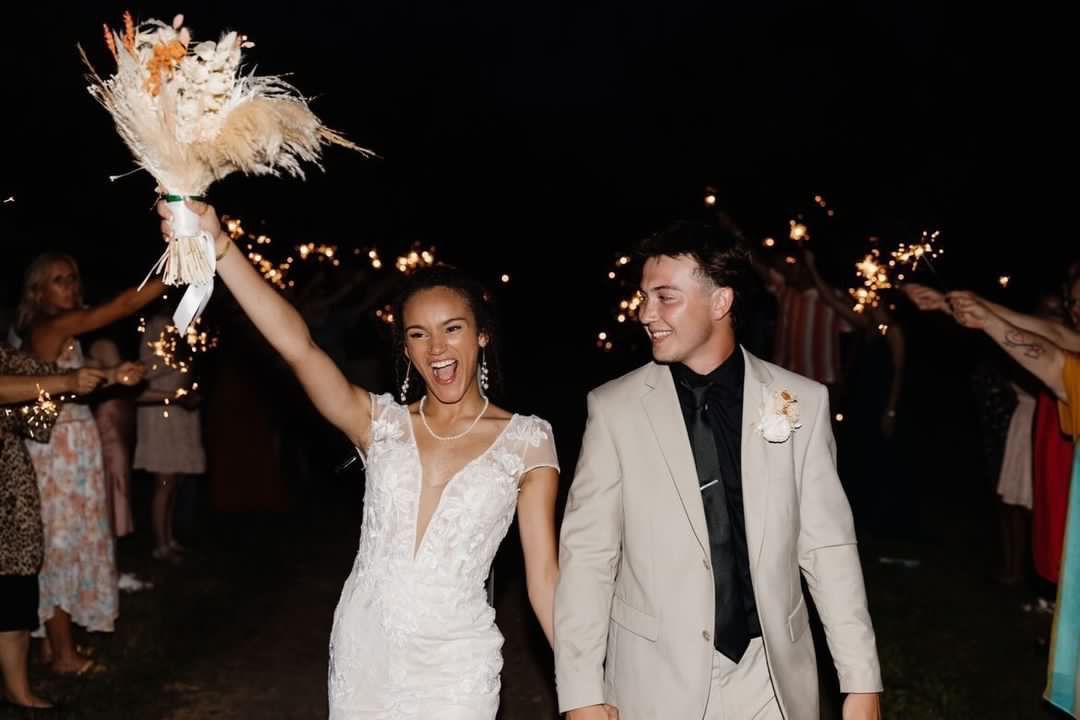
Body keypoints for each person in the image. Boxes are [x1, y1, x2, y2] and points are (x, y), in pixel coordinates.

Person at [155, 199, 561, 720]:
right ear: (407, 350)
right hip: (365, 645)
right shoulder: (381, 423)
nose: (437, 347)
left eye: (452, 328)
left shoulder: (527, 441)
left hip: (456, 661)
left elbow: (545, 576)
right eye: (418, 334)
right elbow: (298, 347)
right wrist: (225, 248)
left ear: (481, 335)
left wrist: (582, 688)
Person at [554, 221, 882, 720]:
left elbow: (827, 547)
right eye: (644, 297)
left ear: (721, 302)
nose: (646, 314)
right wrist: (581, 693)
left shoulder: (802, 403)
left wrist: (860, 680)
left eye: (665, 297)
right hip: (655, 675)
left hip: (770, 674)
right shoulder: (614, 409)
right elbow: (588, 558)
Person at [14, 252, 153, 673]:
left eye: (73, 278)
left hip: (74, 447)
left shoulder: (62, 333)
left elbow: (72, 382)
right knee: (60, 546)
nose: (71, 286)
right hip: (58, 452)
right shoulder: (51, 325)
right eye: (59, 280)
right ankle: (64, 655)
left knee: (69, 542)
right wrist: (181, 269)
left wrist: (114, 374)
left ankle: (52, 648)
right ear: (38, 292)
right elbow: (125, 305)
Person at [1, 345, 105, 707]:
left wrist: (103, 376)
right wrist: (63, 380)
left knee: (14, 584)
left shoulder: (7, 354)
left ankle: (18, 690)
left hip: (9, 482)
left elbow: (39, 400)